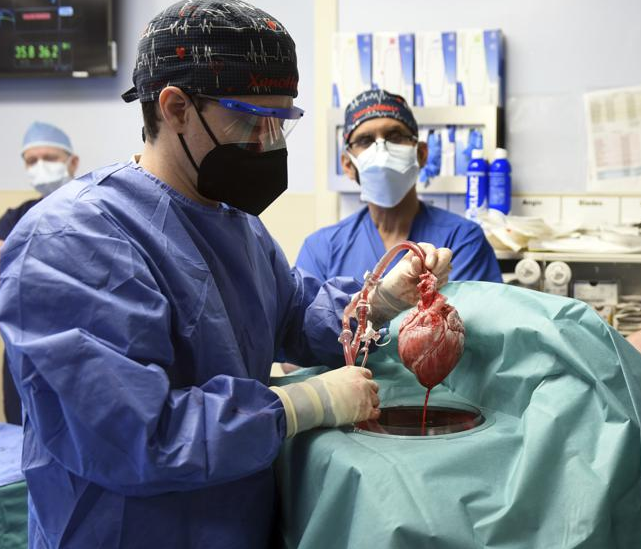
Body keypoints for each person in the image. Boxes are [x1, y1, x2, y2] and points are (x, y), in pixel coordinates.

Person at [0, 2, 452, 548]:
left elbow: (293, 314)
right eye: (251, 119)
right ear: (176, 108)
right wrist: (301, 404)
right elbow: (131, 435)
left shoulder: (235, 223)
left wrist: (377, 301)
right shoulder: (72, 240)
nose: (267, 141)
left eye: (280, 122)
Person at [296, 89, 502, 283]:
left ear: (421, 154)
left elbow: (468, 308)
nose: (382, 151)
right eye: (365, 140)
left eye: (395, 136)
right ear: (348, 165)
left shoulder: (462, 240)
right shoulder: (322, 250)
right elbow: (308, 310)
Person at [1, 121, 79, 425]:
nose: (40, 166)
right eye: (32, 161)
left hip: (77, 342)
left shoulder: (91, 207)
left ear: (72, 162)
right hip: (22, 344)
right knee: (22, 429)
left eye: (49, 158)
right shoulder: (18, 216)